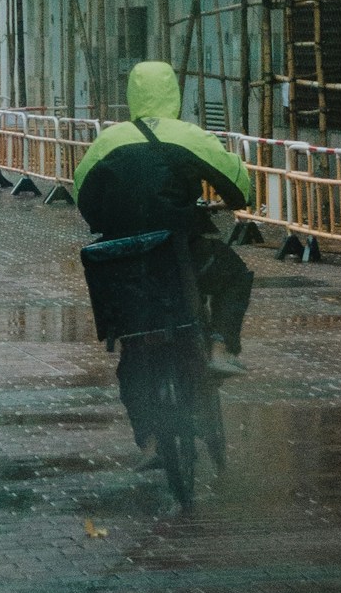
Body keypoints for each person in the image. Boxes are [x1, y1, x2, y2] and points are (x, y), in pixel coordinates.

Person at [73, 61, 256, 423]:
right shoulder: (189, 135)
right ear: (174, 93)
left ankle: (153, 443)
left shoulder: (107, 140)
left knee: (133, 346)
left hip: (124, 262)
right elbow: (239, 187)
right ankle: (219, 346)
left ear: (132, 96)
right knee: (234, 276)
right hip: (183, 254)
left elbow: (84, 197)